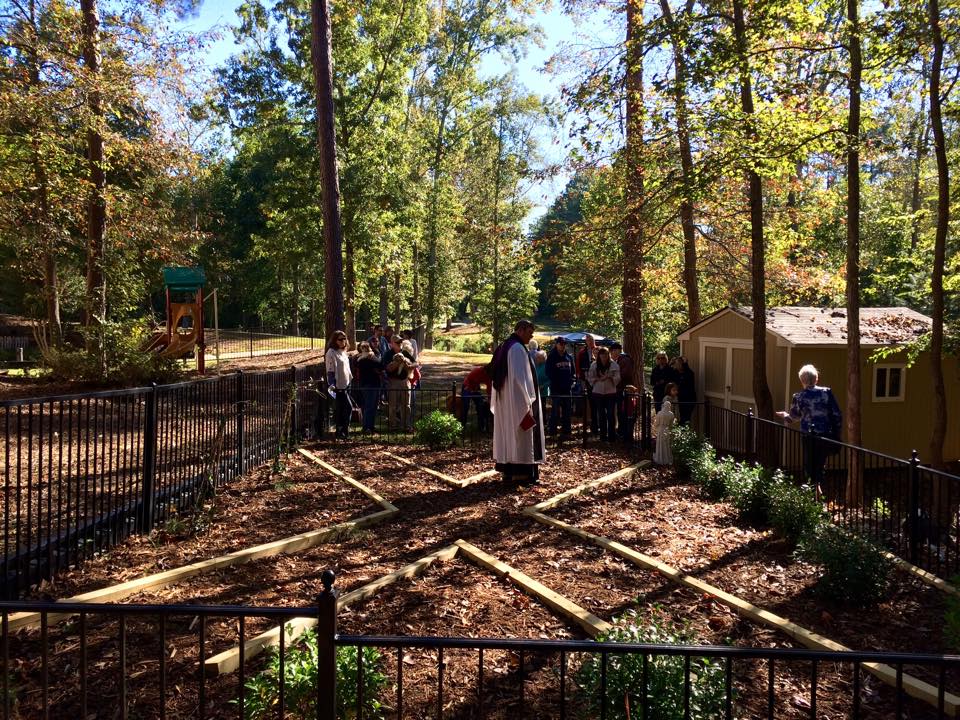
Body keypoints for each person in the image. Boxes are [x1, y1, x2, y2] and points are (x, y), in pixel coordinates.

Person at [490, 320, 546, 484]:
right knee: (521, 437)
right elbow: (520, 379)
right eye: (530, 331)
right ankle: (521, 474)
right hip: (517, 402)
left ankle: (509, 472)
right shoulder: (516, 349)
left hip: (507, 400)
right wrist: (527, 402)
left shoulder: (504, 346)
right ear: (521, 330)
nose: (532, 335)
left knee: (510, 435)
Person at [776, 364, 842, 491]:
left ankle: (813, 495)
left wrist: (784, 415)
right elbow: (837, 415)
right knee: (820, 465)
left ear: (802, 380)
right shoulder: (826, 393)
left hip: (809, 436)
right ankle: (817, 493)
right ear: (816, 379)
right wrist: (836, 434)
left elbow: (793, 418)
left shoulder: (799, 397)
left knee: (810, 465)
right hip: (825, 435)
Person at [587, 346, 620, 442]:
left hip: (610, 393)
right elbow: (590, 378)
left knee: (610, 414)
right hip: (598, 392)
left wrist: (610, 377)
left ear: (608, 355)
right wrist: (597, 379)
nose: (604, 357)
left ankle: (612, 436)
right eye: (602, 355)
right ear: (599, 356)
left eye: (605, 355)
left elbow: (618, 378)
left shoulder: (614, 365)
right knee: (601, 415)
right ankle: (603, 436)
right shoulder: (594, 365)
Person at [324, 330, 353, 440]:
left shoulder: (343, 352)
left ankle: (343, 432)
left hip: (346, 384)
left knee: (344, 408)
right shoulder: (331, 352)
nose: (343, 341)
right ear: (335, 340)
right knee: (346, 408)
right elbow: (330, 370)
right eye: (340, 339)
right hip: (338, 386)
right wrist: (332, 384)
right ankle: (342, 431)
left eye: (344, 339)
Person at [384, 335, 415, 432]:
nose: (400, 344)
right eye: (397, 342)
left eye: (401, 342)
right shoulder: (388, 354)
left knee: (406, 405)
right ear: (392, 344)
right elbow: (386, 368)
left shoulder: (405, 353)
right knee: (393, 405)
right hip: (393, 382)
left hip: (405, 381)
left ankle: (406, 426)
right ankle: (393, 426)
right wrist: (396, 363)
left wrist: (407, 363)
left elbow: (416, 364)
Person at [546, 337, 575, 437]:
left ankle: (566, 432)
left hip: (567, 389)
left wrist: (571, 381)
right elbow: (548, 372)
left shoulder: (569, 357)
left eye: (564, 344)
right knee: (555, 411)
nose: (562, 346)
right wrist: (555, 382)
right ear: (556, 344)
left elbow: (573, 372)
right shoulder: (552, 357)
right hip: (556, 389)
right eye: (560, 344)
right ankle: (552, 432)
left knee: (567, 411)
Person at [355, 341, 382, 433]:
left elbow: (380, 365)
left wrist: (372, 356)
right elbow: (379, 364)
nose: (366, 348)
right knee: (369, 406)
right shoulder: (360, 359)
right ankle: (366, 427)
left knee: (373, 406)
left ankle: (370, 426)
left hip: (373, 383)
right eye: (363, 347)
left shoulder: (370, 357)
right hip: (368, 384)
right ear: (360, 349)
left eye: (367, 346)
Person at [610, 342, 634, 441]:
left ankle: (624, 432)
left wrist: (613, 378)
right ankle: (621, 431)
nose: (612, 354)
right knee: (620, 411)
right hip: (618, 389)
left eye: (612, 352)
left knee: (623, 412)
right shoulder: (618, 360)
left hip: (624, 389)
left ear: (617, 351)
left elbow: (624, 374)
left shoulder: (625, 360)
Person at [461, 363, 492, 432]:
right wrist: (470, 389)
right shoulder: (478, 371)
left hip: (475, 388)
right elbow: (469, 378)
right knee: (465, 405)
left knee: (481, 405)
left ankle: (481, 427)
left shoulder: (488, 376)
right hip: (467, 386)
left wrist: (490, 399)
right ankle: (462, 426)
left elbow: (489, 388)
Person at [652, 386, 677, 465]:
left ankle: (660, 458)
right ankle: (667, 458)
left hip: (661, 430)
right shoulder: (671, 414)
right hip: (667, 430)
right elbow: (671, 424)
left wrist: (656, 427)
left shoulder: (660, 413)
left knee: (660, 444)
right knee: (667, 445)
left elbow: (656, 423)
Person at [672, 356, 696, 425]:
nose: (677, 365)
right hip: (678, 399)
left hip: (688, 400)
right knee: (678, 419)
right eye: (676, 363)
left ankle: (684, 433)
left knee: (685, 419)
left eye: (679, 363)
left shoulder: (689, 373)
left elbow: (686, 386)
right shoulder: (675, 373)